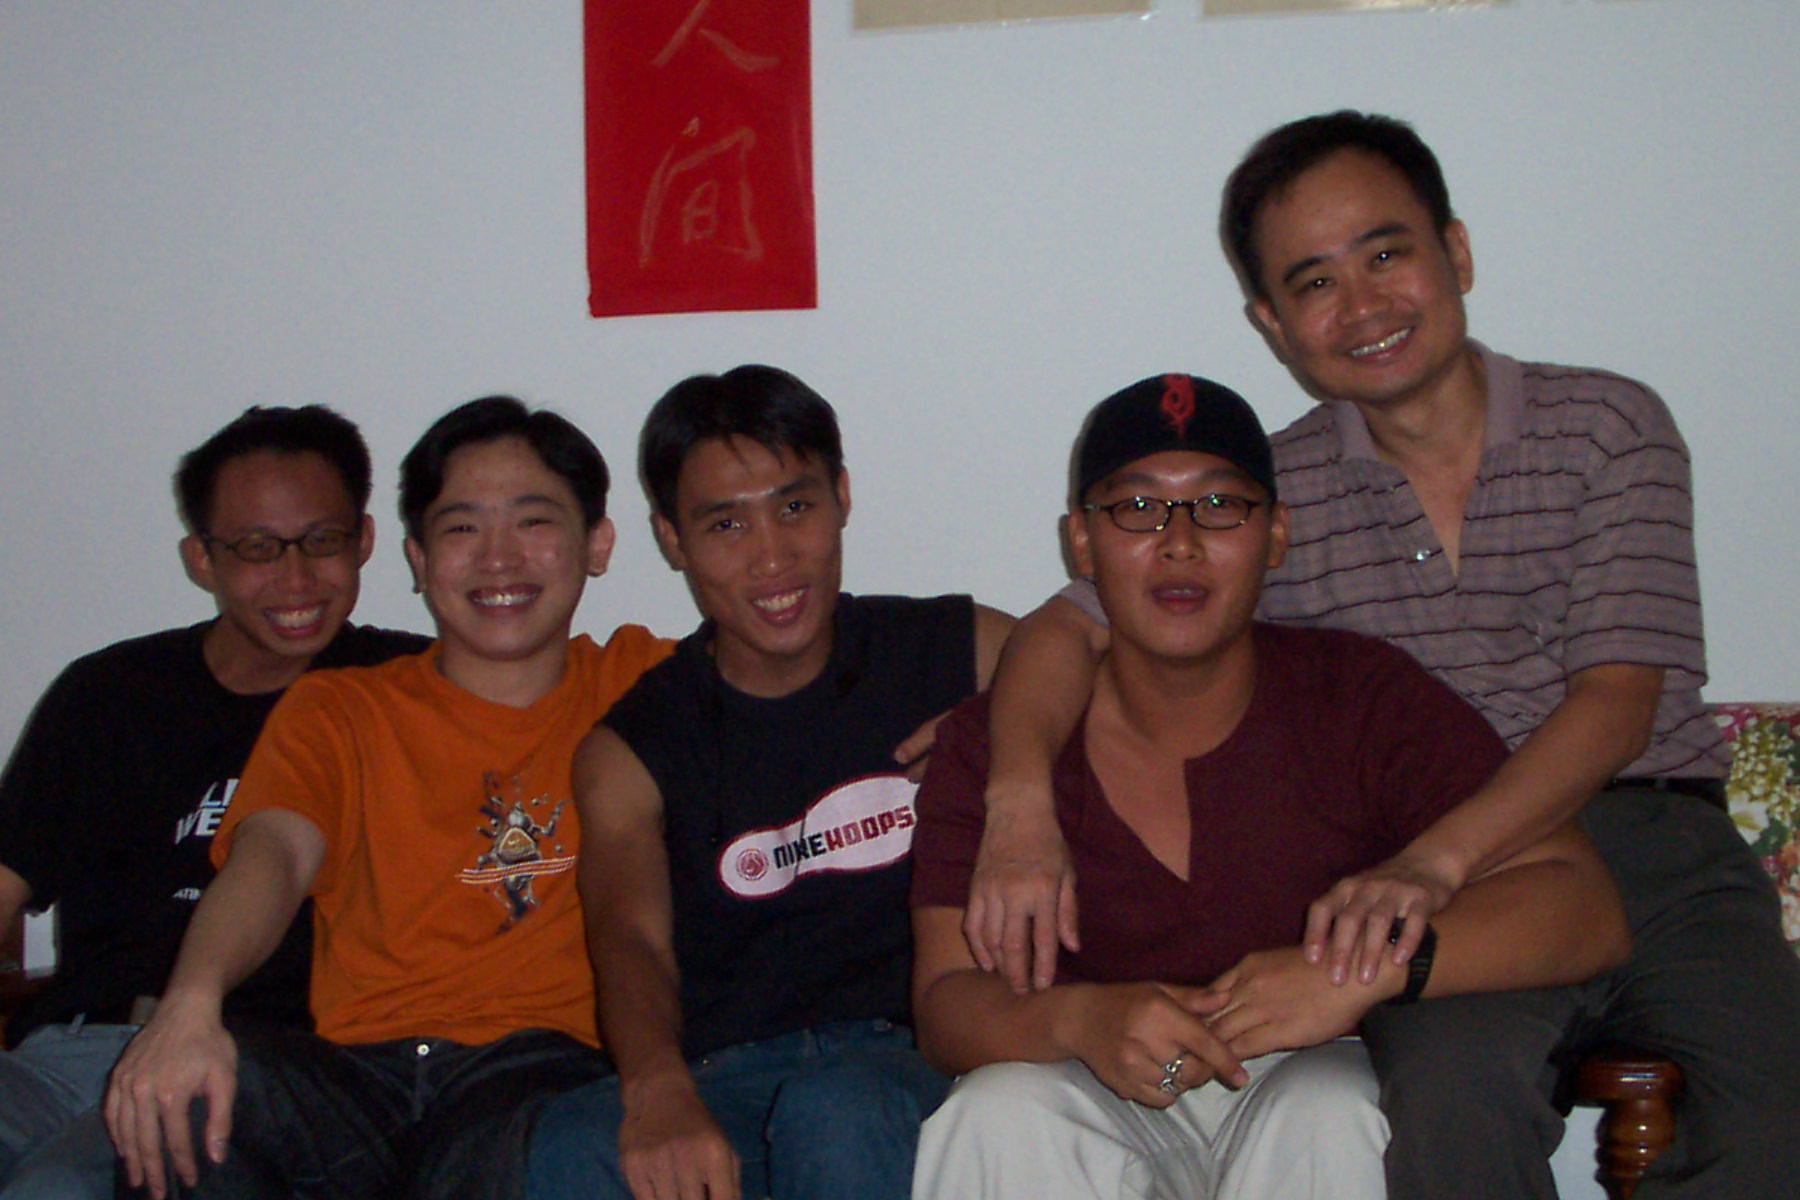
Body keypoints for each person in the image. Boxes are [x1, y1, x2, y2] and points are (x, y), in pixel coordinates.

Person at [968, 112, 1800, 1199]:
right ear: (1272, 324)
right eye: (1313, 282)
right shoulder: (1271, 499)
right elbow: (1071, 625)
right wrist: (1014, 789)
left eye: (1386, 254)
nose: (1361, 305)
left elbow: (1616, 704)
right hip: (1447, 890)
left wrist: (1429, 866)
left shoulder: (1607, 424)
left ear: (1455, 252)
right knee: (1441, 1104)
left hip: (1649, 847)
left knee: (1778, 1117)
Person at [906, 372, 1630, 1200]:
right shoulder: (1000, 742)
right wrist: (1079, 1021)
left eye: (1220, 506)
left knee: (1332, 1110)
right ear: (1081, 542)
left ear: (1277, 534)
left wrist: (1357, 973)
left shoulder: (1360, 697)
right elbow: (945, 1006)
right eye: (1137, 508)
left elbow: (1582, 908)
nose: (1180, 543)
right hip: (1094, 1076)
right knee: (996, 1113)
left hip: (1315, 1068)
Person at [102, 396, 673, 1200]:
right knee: (187, 1107)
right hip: (353, 1077)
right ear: (418, 557)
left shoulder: (645, 684)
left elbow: (799, 674)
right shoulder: (340, 709)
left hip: (540, 1067)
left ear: (598, 543)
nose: (498, 558)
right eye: (462, 528)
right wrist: (190, 1006)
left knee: (519, 1151)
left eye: (533, 522)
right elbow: (272, 855)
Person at [527, 365, 1016, 1200]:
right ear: (672, 539)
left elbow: (1116, 681)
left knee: (836, 1111)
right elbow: (628, 937)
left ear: (842, 496)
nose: (772, 557)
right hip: (724, 1076)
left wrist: (1012, 738)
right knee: (576, 1139)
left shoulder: (952, 650)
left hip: (913, 1062)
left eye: (795, 507)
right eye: (725, 524)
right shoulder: (632, 748)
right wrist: (655, 1085)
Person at [0, 406, 427, 1200]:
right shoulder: (111, 693)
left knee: (55, 1189)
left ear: (364, 540)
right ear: (202, 557)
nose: (296, 579)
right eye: (257, 548)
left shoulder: (409, 693)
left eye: (322, 541)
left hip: (257, 1070)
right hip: (70, 1052)